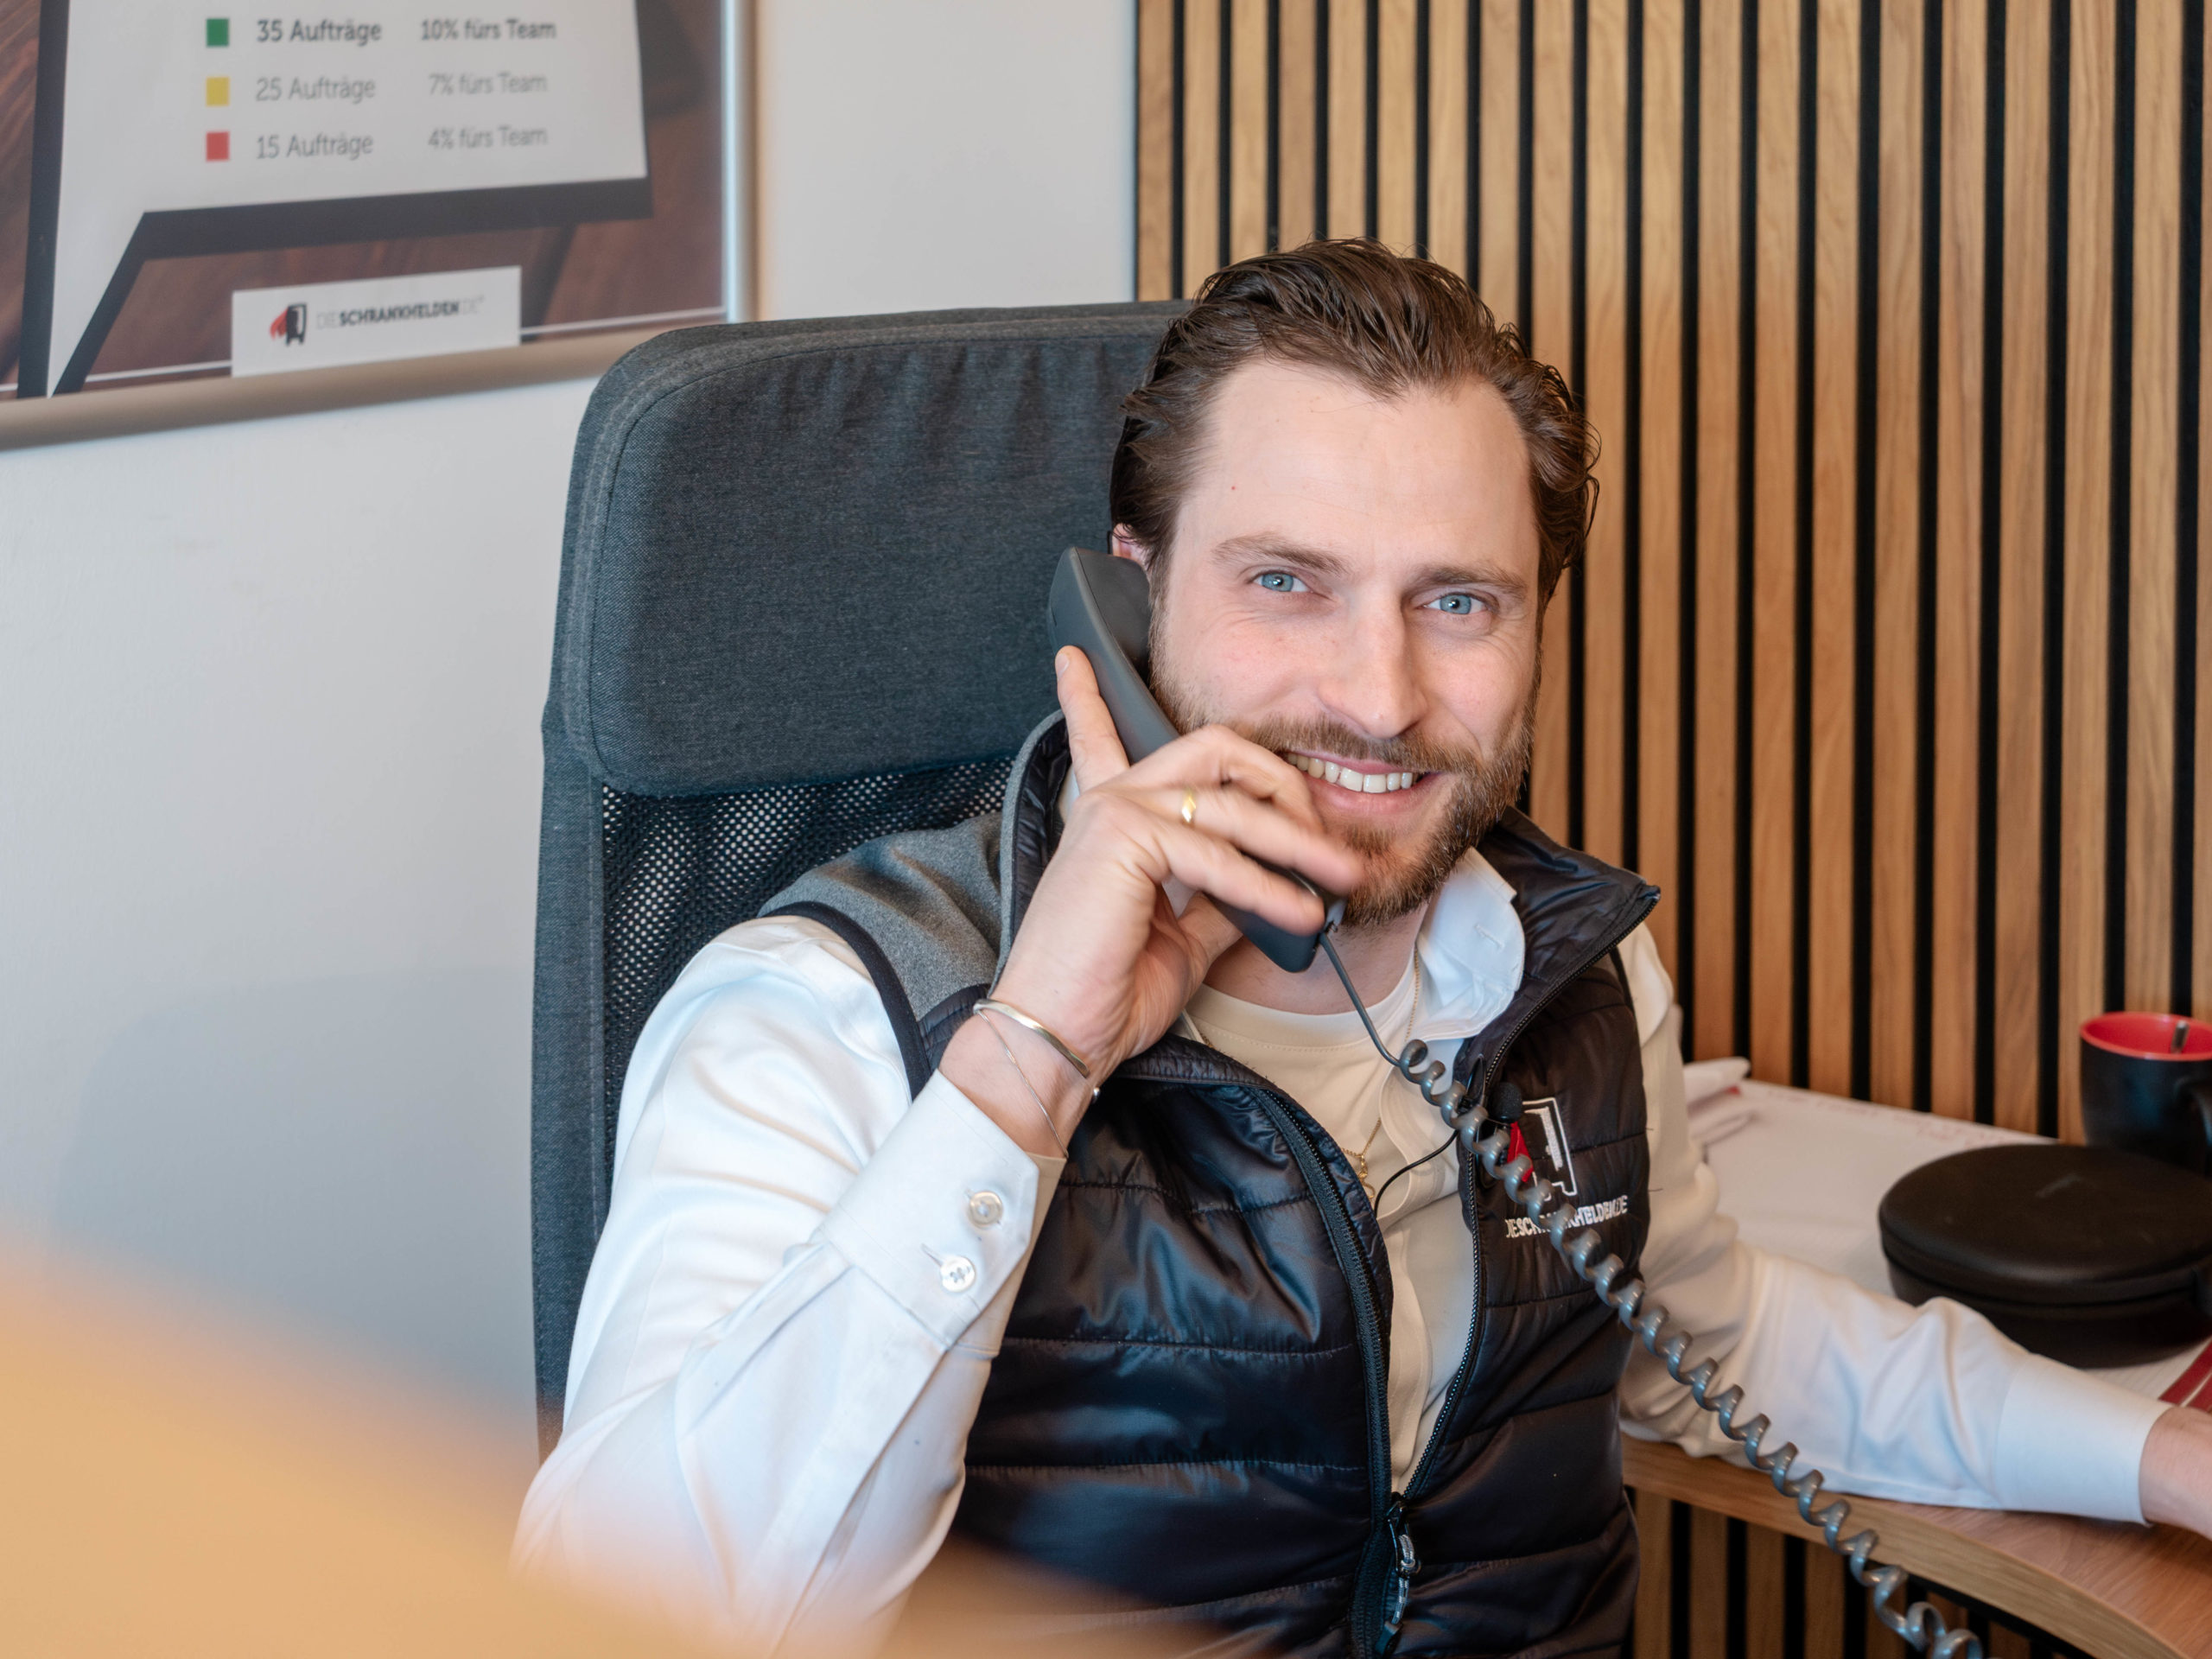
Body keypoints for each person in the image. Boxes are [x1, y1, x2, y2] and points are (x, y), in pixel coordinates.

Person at [516, 241, 2212, 1657]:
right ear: (1126, 599)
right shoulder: (822, 1016)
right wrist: (1026, 1066)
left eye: (1456, 601)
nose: (1381, 698)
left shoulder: (1561, 971)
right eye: (1286, 584)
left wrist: (2160, 1459)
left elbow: (1720, 1340)